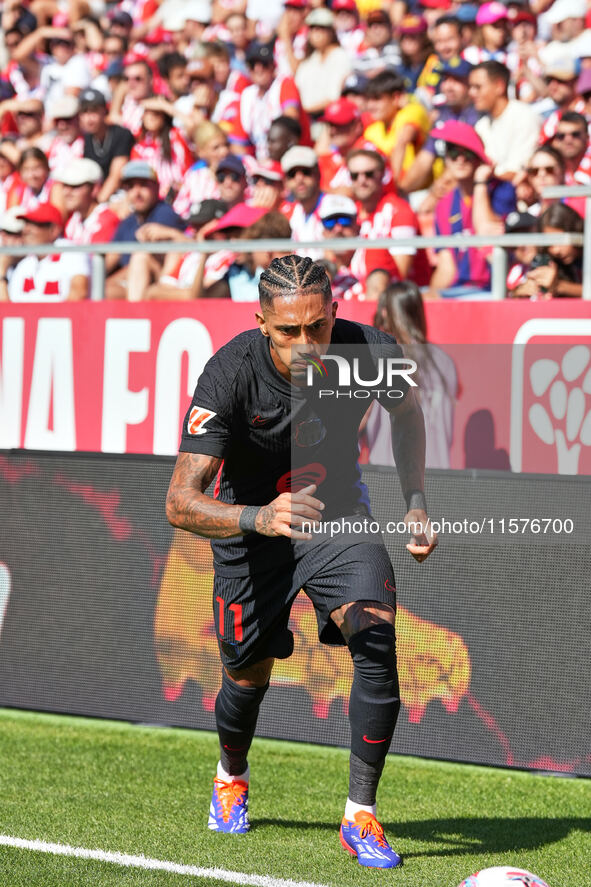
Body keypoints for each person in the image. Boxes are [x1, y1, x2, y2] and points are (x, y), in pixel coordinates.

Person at [165, 253, 437, 865]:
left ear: (335, 312)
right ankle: (231, 774)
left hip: (336, 515)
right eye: (288, 332)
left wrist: (416, 502)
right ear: (262, 322)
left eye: (317, 327)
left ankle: (360, 815)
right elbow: (179, 503)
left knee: (376, 637)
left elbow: (407, 412)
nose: (305, 344)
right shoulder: (228, 373)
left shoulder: (369, 352)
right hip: (250, 533)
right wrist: (258, 517)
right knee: (246, 675)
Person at [362, 281, 458, 469]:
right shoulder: (445, 362)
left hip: (389, 477)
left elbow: (359, 421)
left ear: (385, 313)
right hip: (438, 476)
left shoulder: (379, 357)